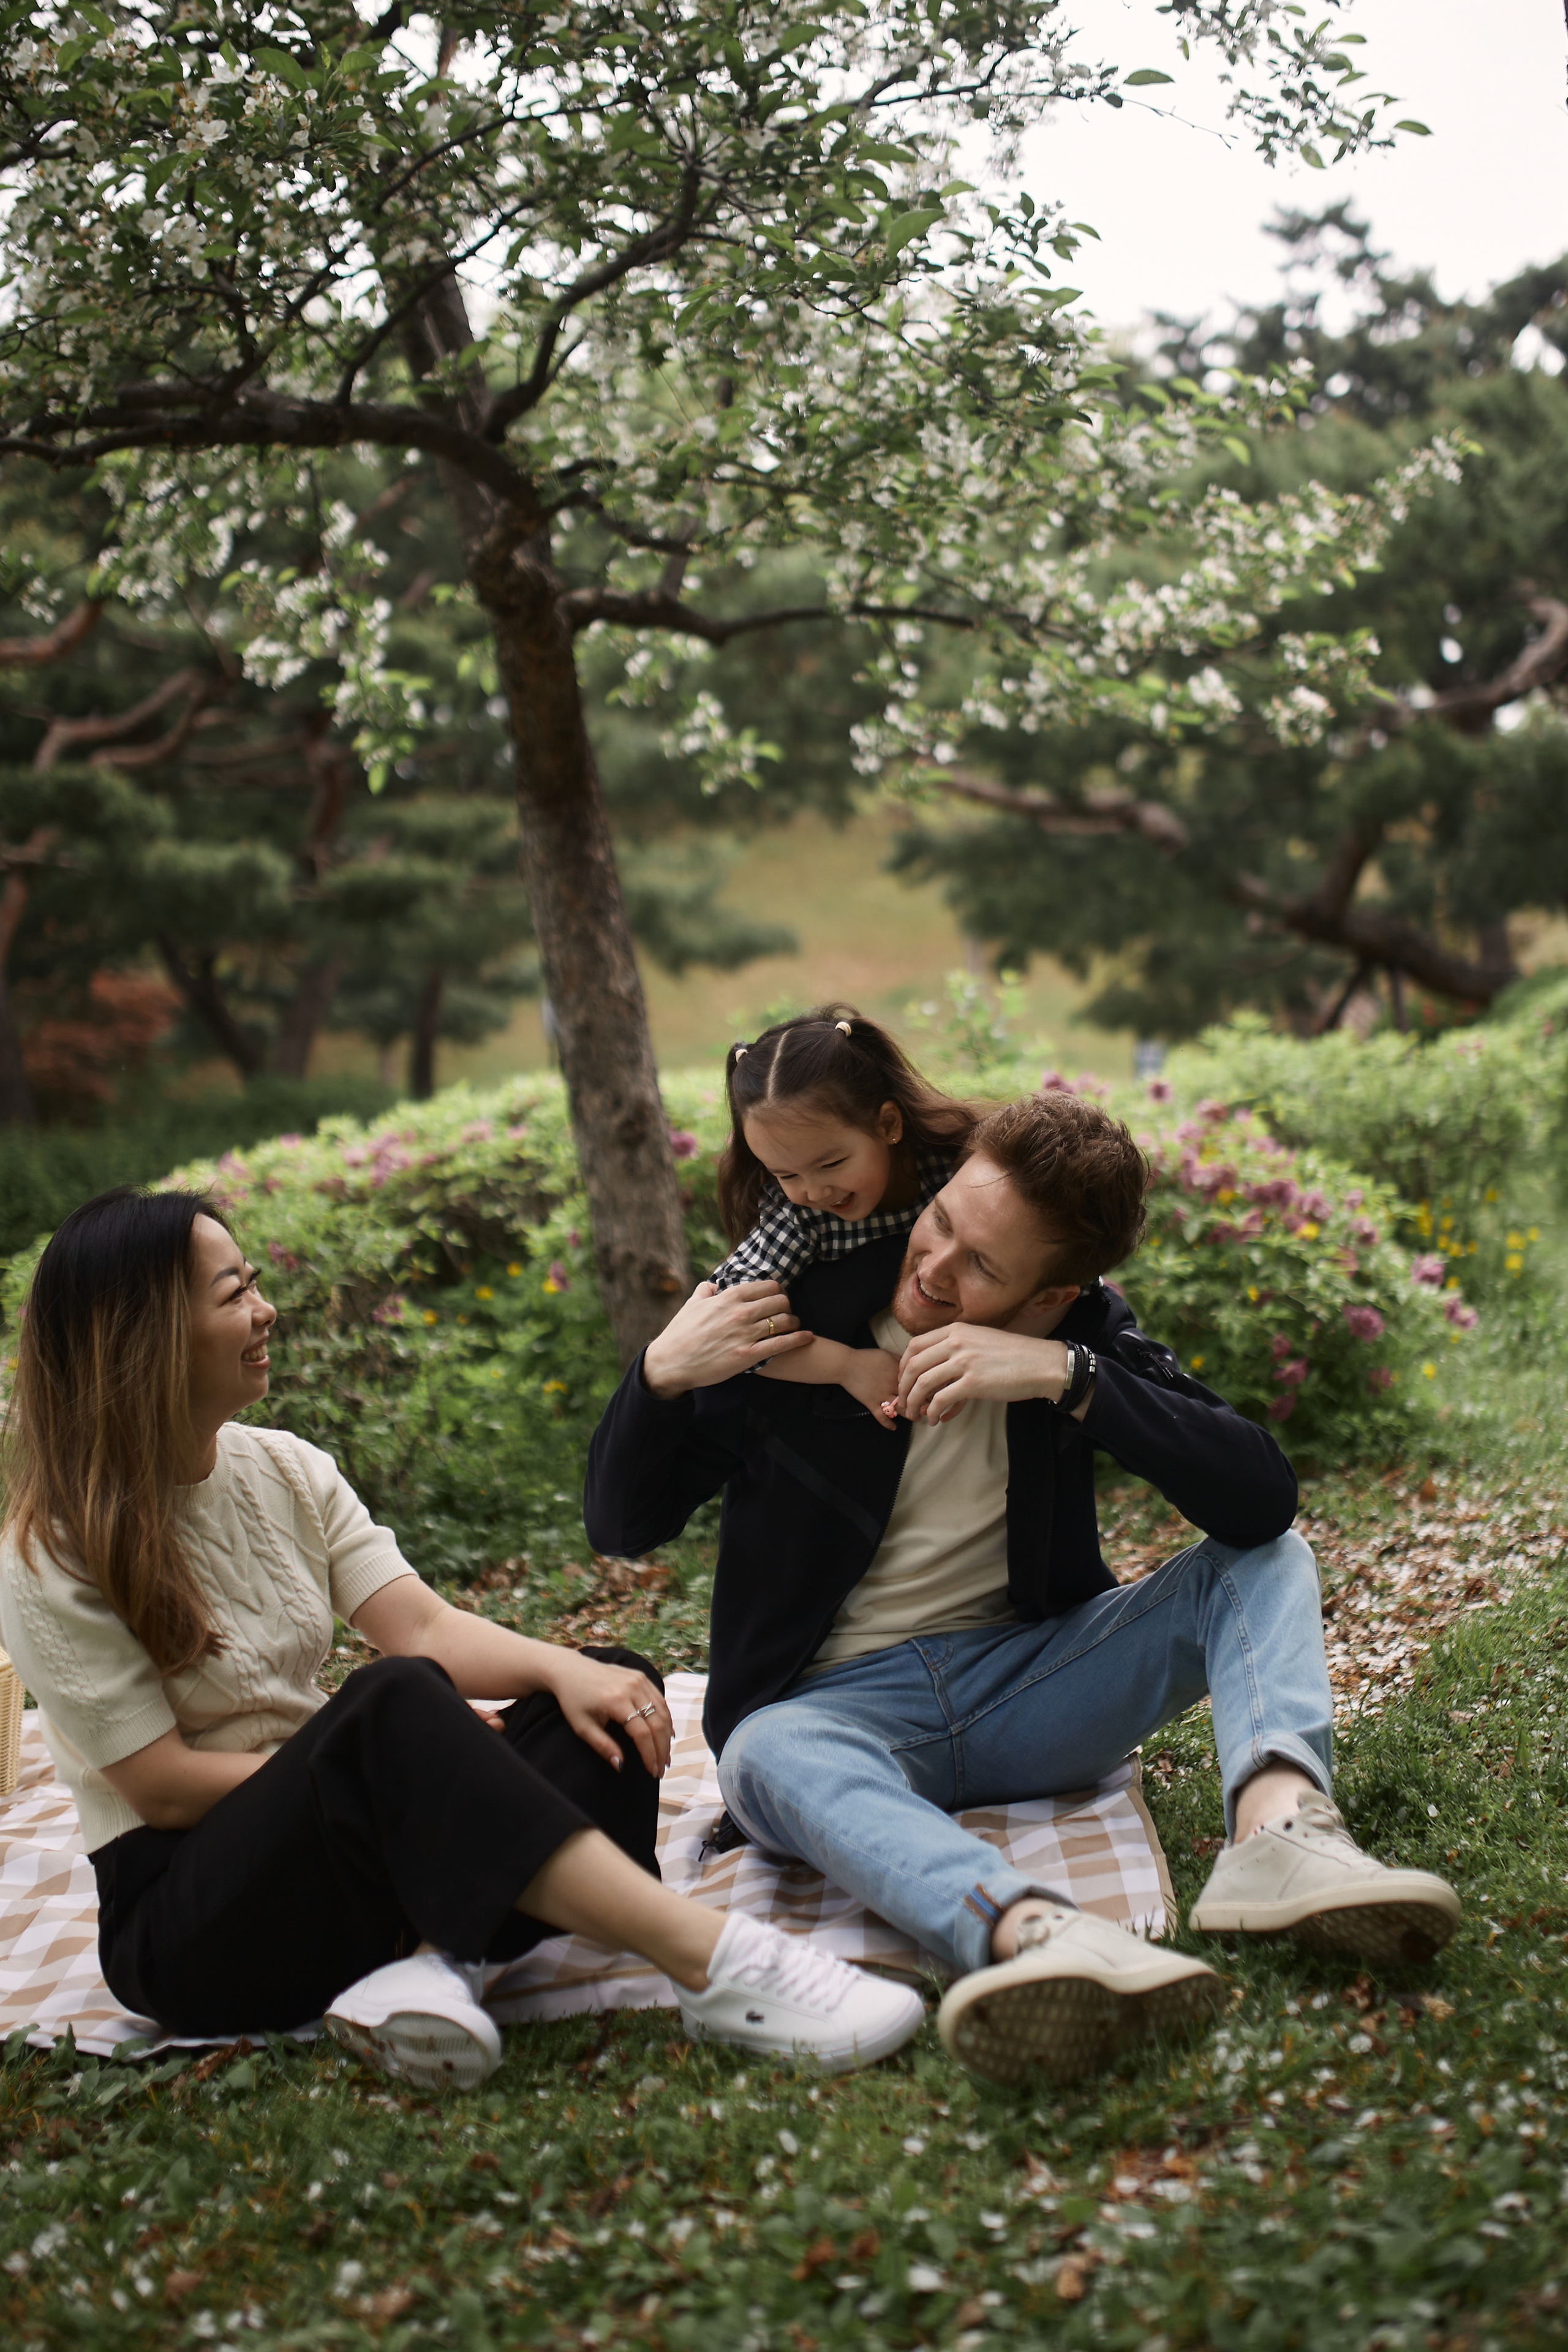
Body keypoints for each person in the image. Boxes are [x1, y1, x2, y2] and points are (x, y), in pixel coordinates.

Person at [586, 1090, 1462, 2087]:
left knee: (1267, 1560)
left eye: (984, 1269)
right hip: (833, 1710)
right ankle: (1036, 1934)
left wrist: (1064, 1373)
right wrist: (657, 1377)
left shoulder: (1076, 1333)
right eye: (943, 1222)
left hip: (1029, 1688)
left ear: (1052, 1295)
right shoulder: (803, 1321)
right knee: (761, 1752)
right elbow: (622, 1526)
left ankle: (1278, 1834)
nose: (936, 1266)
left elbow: (1260, 1496)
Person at [0, 1189, 925, 2092]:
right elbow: (158, 1789)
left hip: (350, 1858)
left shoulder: (284, 1467)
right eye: (233, 1292)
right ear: (144, 1333)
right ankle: (720, 1963)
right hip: (194, 1921)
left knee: (609, 1691)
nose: (265, 1308)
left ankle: (438, 1966)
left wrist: (562, 1671)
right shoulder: (52, 1549)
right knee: (395, 1704)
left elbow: (425, 1627)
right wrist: (381, 1768)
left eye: (253, 1282)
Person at [710, 1005, 974, 1427]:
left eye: (831, 1164)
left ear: (888, 1124)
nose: (813, 1191)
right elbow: (725, 1333)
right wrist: (846, 1366)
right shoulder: (797, 1215)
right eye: (785, 1174)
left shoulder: (959, 1168)